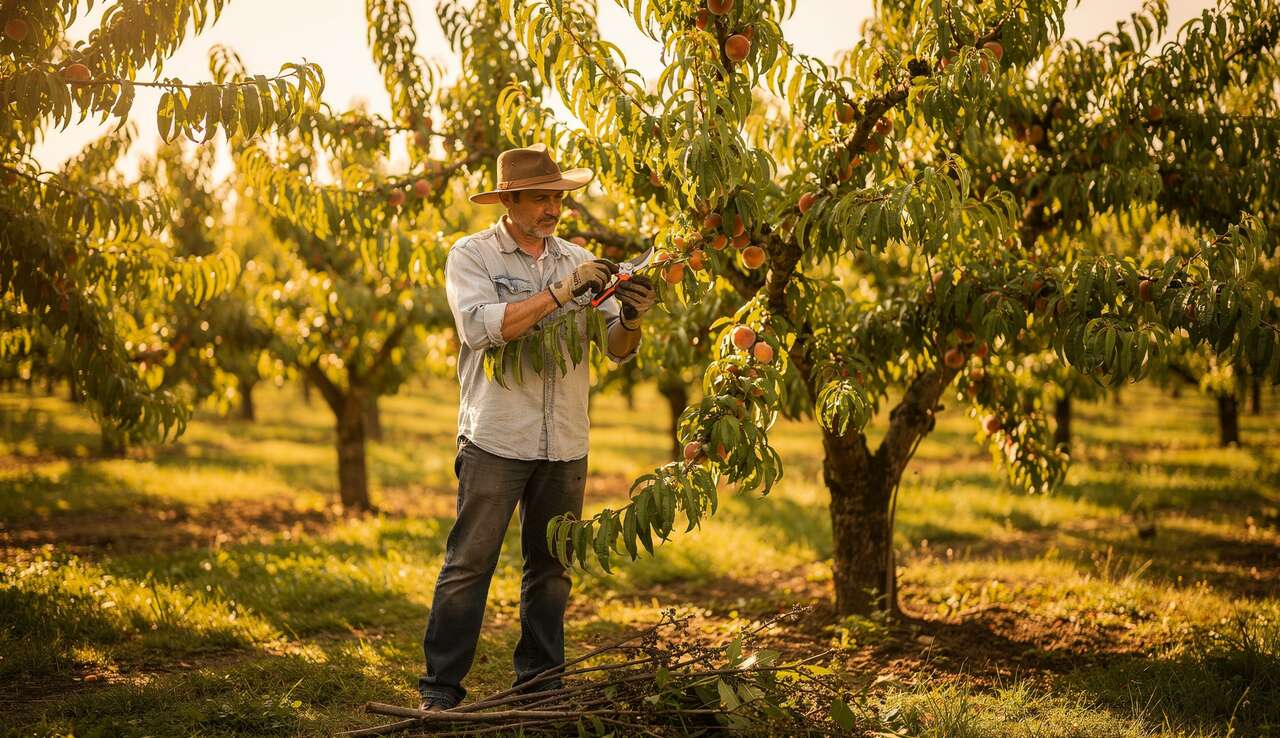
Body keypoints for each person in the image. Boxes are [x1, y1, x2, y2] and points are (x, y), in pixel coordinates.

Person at [418, 144, 656, 710]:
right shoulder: (472, 256)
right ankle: (441, 687)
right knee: (469, 563)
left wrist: (631, 317)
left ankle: (541, 684)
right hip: (497, 436)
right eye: (540, 198)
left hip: (565, 440)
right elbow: (482, 330)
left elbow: (617, 348)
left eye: (557, 198)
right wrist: (560, 292)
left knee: (552, 568)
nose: (553, 209)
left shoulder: (579, 257)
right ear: (509, 201)